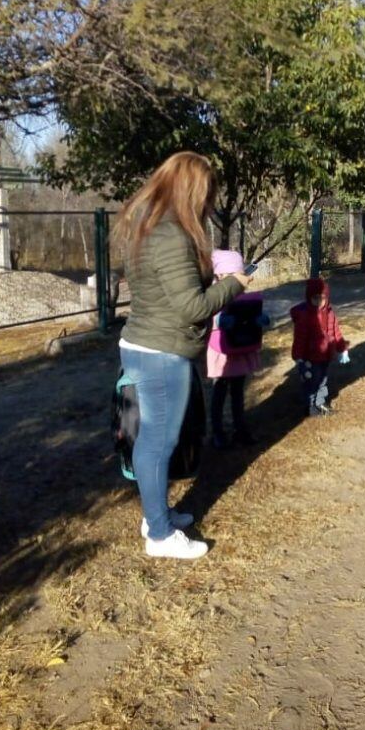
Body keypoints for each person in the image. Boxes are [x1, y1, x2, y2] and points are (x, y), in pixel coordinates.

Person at [115, 152, 251, 560]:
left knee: (155, 440)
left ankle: (155, 515)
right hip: (162, 352)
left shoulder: (148, 227)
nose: (209, 201)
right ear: (194, 189)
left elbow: (171, 291)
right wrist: (235, 285)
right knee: (159, 442)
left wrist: (211, 275)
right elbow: (191, 307)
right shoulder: (172, 233)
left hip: (148, 345)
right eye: (208, 191)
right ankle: (159, 536)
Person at [207, 248, 269, 448]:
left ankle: (240, 429)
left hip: (240, 350)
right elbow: (204, 316)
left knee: (238, 393)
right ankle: (218, 432)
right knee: (219, 393)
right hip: (221, 354)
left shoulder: (242, 294)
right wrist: (218, 321)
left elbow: (252, 312)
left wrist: (260, 320)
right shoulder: (212, 295)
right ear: (220, 274)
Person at [290, 278, 350, 416]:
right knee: (311, 381)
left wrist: (342, 349)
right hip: (309, 358)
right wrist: (298, 356)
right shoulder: (305, 316)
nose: (319, 302)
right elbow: (300, 338)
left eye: (322, 298)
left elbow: (336, 332)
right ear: (309, 298)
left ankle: (320, 402)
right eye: (315, 298)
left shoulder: (330, 314)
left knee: (323, 380)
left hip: (326, 356)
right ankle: (310, 406)